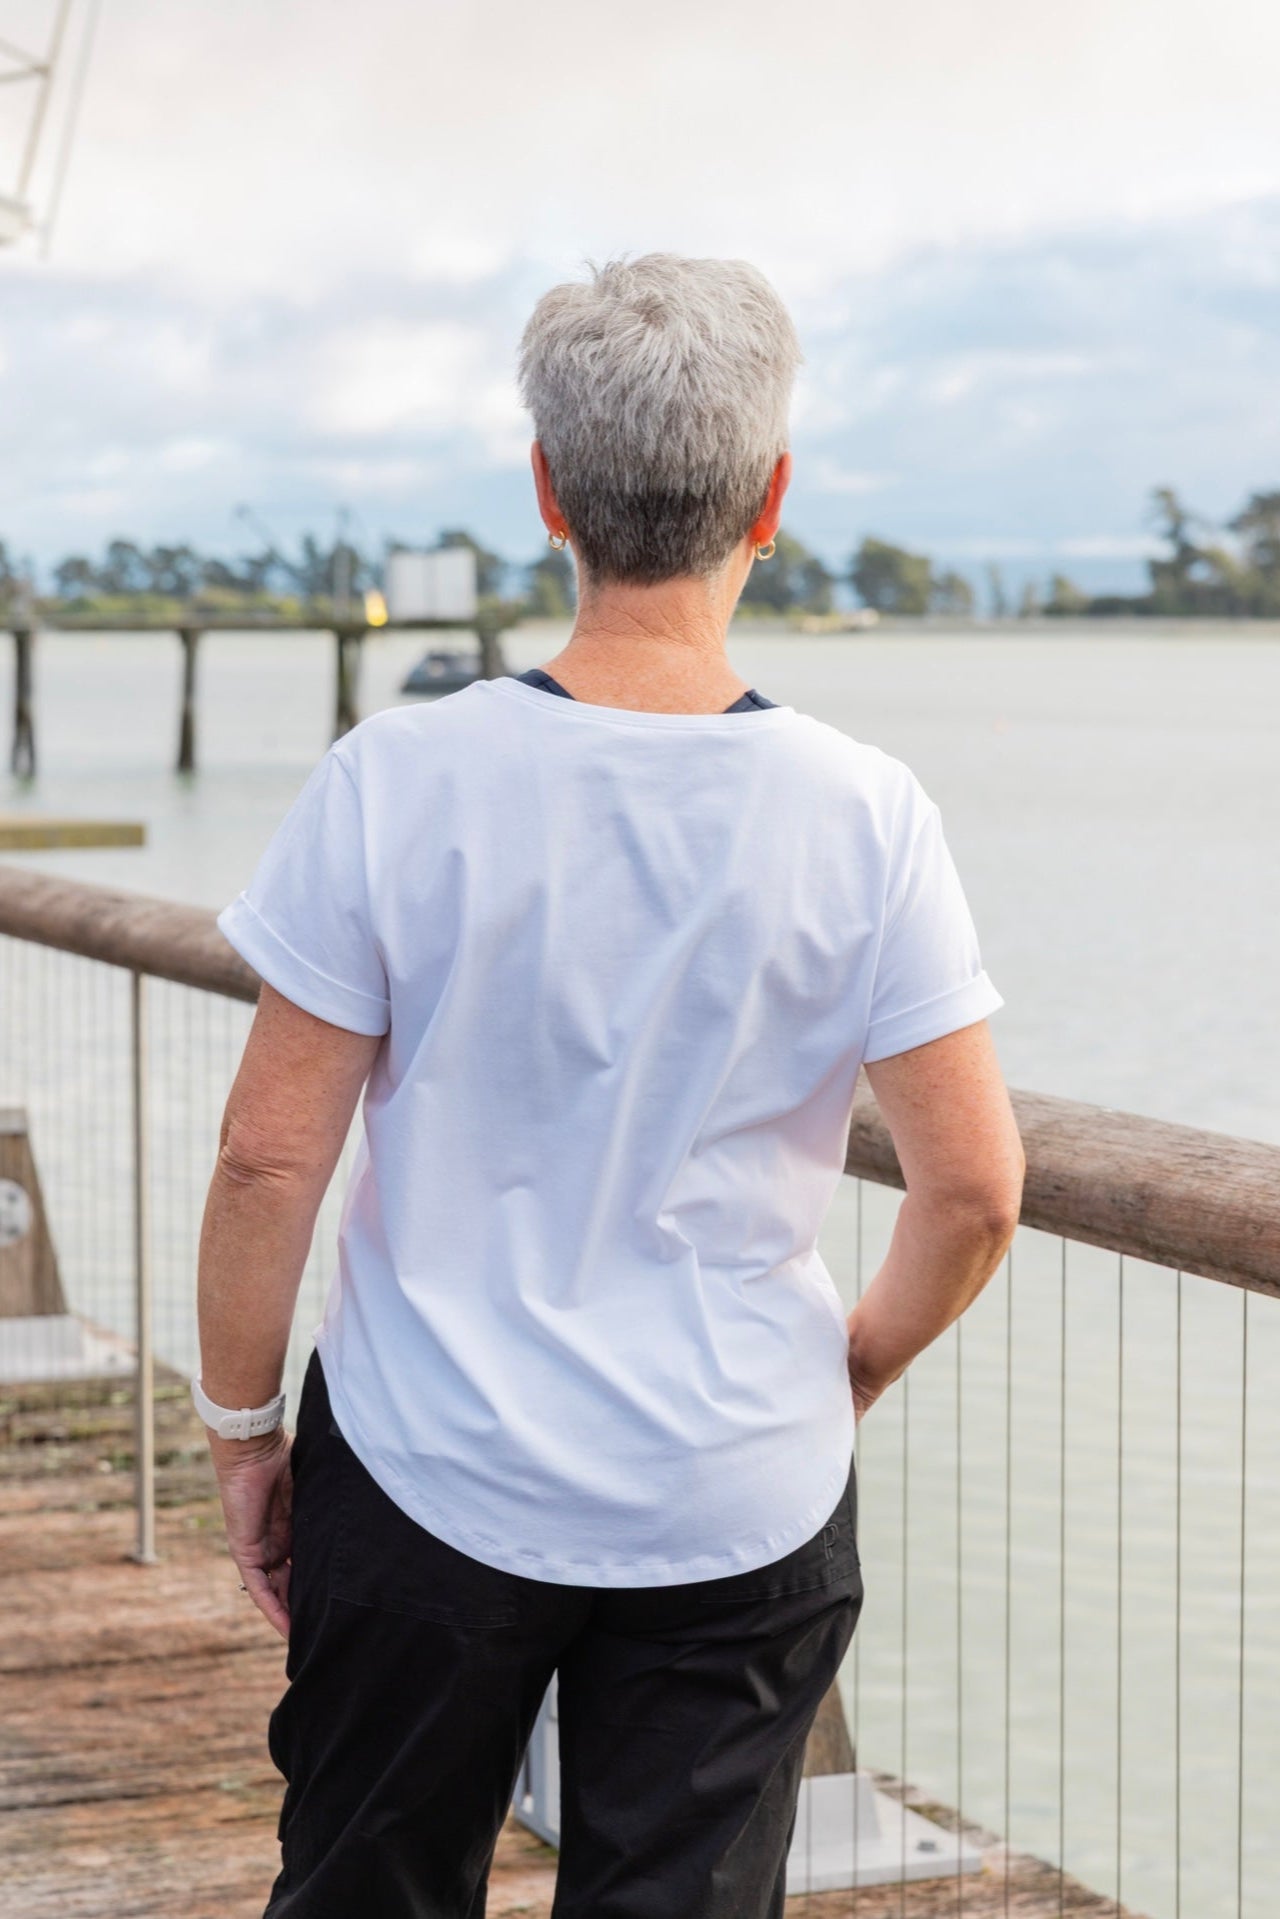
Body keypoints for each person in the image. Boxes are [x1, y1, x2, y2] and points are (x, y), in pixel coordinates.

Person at [195, 252, 1025, 1919]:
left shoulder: (397, 778)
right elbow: (976, 1190)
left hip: (429, 1465)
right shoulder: (864, 812)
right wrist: (843, 1369)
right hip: (737, 1482)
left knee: (367, 1887)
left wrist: (241, 1433)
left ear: (547, 493)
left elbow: (268, 1162)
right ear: (772, 498)